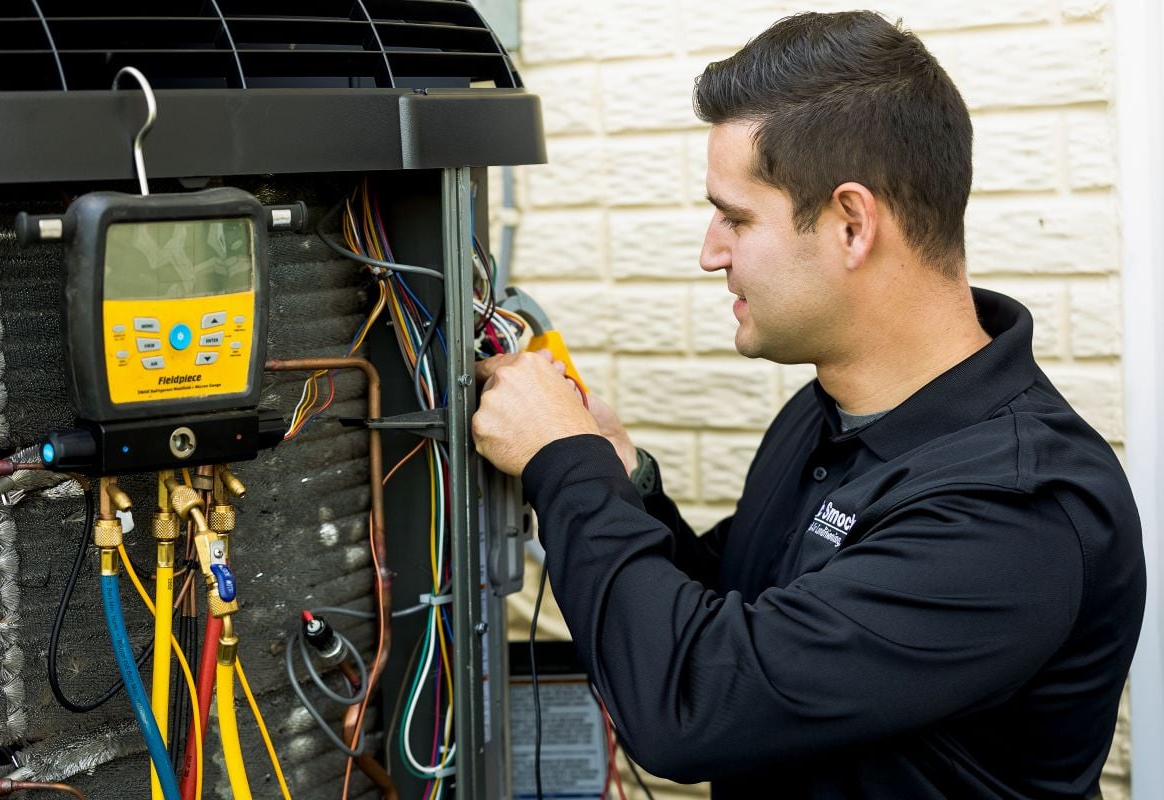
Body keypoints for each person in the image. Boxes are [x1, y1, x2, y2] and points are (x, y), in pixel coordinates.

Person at [473, 11, 1145, 799]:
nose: (710, 253)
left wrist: (565, 463)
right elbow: (744, 614)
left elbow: (693, 704)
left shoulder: (1015, 513)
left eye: (736, 217)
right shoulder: (826, 411)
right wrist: (627, 479)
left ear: (851, 224)